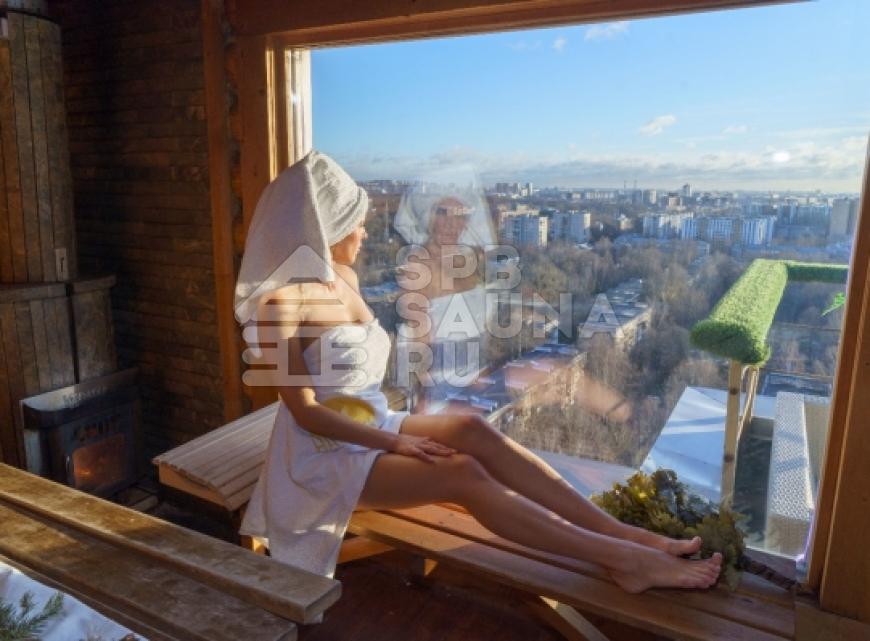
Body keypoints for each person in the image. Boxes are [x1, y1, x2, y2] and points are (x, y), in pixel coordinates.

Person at [233, 150, 722, 601]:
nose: (364, 234)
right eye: (355, 225)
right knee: (462, 473)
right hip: (323, 458)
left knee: (472, 428)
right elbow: (305, 412)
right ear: (326, 229)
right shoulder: (279, 306)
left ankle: (622, 533)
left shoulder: (345, 280)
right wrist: (397, 443)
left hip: (371, 425)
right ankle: (624, 561)